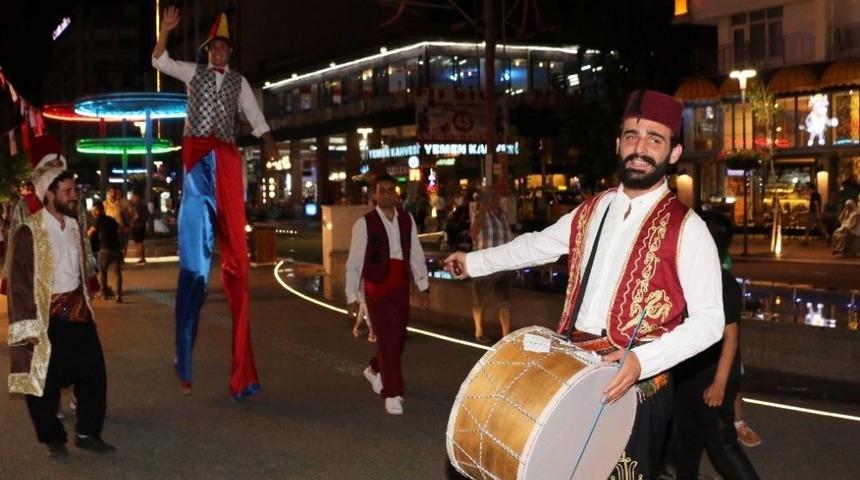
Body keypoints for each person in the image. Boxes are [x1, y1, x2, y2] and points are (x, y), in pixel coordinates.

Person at [444, 89, 724, 479]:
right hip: (573, 372)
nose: (639, 148)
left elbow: (711, 321)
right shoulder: (592, 210)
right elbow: (536, 245)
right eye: (631, 136)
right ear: (618, 144)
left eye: (654, 139)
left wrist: (642, 360)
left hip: (637, 384)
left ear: (673, 153)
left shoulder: (689, 229)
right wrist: (473, 262)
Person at [152, 6, 278, 398]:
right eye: (213, 48)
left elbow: (255, 117)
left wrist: (269, 140)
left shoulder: (240, 83)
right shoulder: (195, 72)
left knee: (237, 258)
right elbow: (159, 60)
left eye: (223, 48)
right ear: (207, 51)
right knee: (195, 260)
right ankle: (183, 352)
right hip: (196, 159)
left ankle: (245, 374)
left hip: (224, 158)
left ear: (229, 52)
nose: (218, 53)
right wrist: (165, 31)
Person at [7, 167, 115, 458]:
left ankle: (87, 433)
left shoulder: (75, 226)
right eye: (67, 192)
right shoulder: (29, 231)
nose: (74, 197)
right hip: (47, 318)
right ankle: (53, 438)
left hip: (79, 314)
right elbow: (18, 281)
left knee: (94, 375)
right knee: (43, 384)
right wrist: (27, 327)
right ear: (49, 194)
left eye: (74, 190)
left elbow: (81, 269)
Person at [668, 210, 760, 480]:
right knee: (687, 443)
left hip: (712, 376)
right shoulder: (693, 275)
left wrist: (719, 384)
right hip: (688, 375)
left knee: (722, 445)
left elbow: (731, 335)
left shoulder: (722, 281)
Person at [345, 174, 430, 415]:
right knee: (387, 339)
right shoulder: (364, 223)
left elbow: (415, 253)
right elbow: (354, 262)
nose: (386, 194)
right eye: (381, 190)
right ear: (374, 195)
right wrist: (351, 295)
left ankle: (374, 369)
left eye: (390, 190)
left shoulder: (407, 220)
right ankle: (392, 392)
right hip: (376, 287)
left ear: (396, 194)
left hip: (400, 285)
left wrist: (423, 285)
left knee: (399, 338)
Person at [469, 190, 514, 344]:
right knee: (480, 299)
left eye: (496, 197)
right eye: (493, 197)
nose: (496, 200)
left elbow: (508, 236)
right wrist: (482, 212)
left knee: (504, 301)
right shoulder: (481, 214)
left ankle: (506, 335)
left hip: (504, 264)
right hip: (485, 264)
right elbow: (473, 233)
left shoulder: (503, 216)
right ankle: (479, 330)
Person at [88, 202, 123, 303]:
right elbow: (120, 230)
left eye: (95, 210)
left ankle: (103, 293)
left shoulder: (98, 220)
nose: (94, 213)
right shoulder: (112, 220)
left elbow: (91, 232)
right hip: (116, 249)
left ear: (102, 210)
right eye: (93, 211)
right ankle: (118, 295)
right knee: (117, 273)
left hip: (104, 249)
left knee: (103, 272)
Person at [103, 185, 133, 258]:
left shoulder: (121, 203)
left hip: (120, 227)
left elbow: (129, 215)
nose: (114, 194)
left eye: (116, 193)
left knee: (122, 244)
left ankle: (120, 258)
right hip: (109, 228)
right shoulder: (105, 203)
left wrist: (127, 225)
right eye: (111, 192)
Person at [130, 192, 149, 264]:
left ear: (136, 198)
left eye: (132, 197)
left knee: (138, 243)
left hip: (137, 225)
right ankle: (142, 258)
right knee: (140, 242)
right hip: (142, 225)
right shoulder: (143, 205)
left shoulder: (136, 206)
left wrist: (131, 222)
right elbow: (147, 214)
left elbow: (136, 216)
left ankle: (142, 258)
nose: (131, 199)